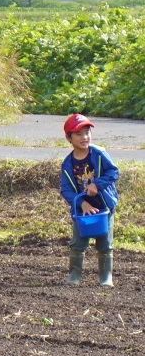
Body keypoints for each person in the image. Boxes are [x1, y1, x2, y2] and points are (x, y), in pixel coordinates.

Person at [60, 113, 118, 287]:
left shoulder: (99, 154)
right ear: (69, 137)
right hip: (82, 211)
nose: (84, 137)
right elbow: (66, 190)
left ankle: (106, 277)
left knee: (105, 243)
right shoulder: (67, 164)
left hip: (104, 206)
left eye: (87, 132)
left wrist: (97, 185)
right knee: (78, 243)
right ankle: (74, 275)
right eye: (78, 134)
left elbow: (113, 172)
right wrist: (82, 203)